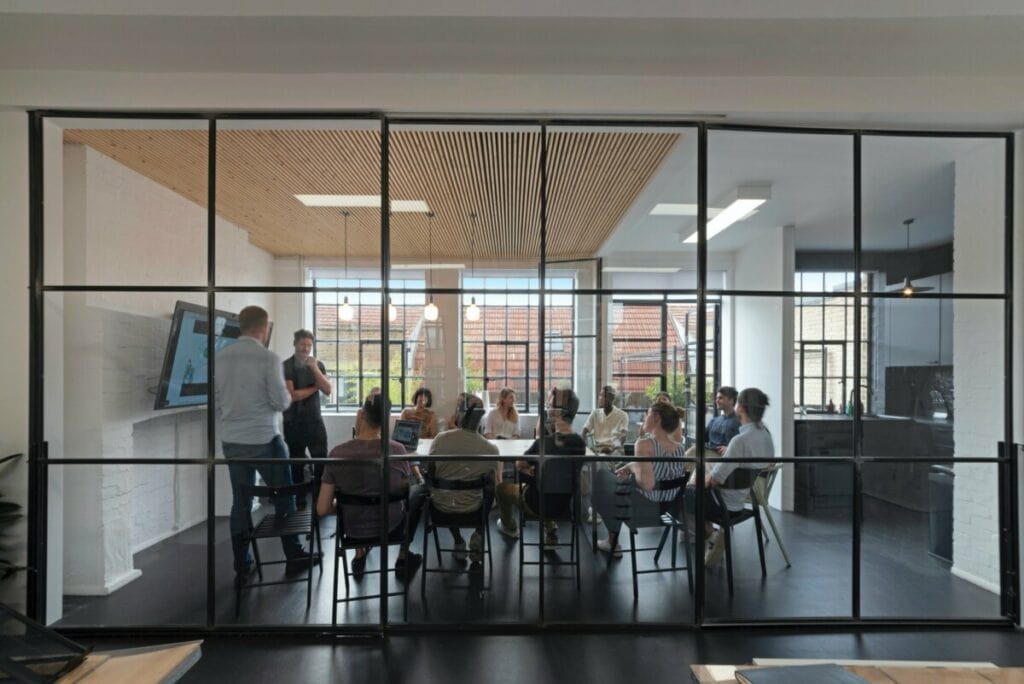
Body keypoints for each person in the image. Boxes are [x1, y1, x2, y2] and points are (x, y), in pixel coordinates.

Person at [215, 305, 318, 582]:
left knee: (241, 502)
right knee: (285, 497)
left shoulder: (221, 357)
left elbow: (217, 398)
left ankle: (242, 563)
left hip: (232, 441)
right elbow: (282, 401)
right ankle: (294, 554)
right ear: (264, 328)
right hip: (264, 439)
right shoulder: (268, 359)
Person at [316, 393, 425, 577]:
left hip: (352, 529)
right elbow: (405, 490)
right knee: (419, 493)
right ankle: (403, 554)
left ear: (361, 415)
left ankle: (360, 553)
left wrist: (344, 505)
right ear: (386, 419)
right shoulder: (397, 450)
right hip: (391, 527)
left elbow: (321, 509)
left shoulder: (337, 453)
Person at [690, 387, 773, 565]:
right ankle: (712, 535)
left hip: (725, 504)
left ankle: (712, 534)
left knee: (685, 496)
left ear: (740, 407)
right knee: (697, 481)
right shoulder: (765, 435)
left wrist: (698, 482)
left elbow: (715, 479)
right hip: (745, 495)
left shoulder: (740, 441)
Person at [593, 402, 688, 558]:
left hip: (645, 510)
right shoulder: (679, 448)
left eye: (648, 413)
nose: (644, 417)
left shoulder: (644, 444)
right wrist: (633, 471)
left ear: (656, 417)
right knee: (612, 485)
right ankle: (612, 540)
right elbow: (658, 477)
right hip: (668, 509)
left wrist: (632, 467)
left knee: (601, 479)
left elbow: (648, 484)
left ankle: (612, 541)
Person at [496, 388, 586, 548]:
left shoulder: (543, 443)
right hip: (565, 506)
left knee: (502, 489)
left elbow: (519, 463)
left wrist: (530, 469)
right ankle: (551, 533)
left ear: (558, 411)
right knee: (548, 484)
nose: (548, 409)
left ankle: (509, 527)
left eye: (550, 405)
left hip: (537, 504)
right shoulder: (580, 444)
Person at [427, 394, 500, 564]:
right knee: (489, 482)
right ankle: (479, 533)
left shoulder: (440, 439)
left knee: (445, 483)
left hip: (440, 509)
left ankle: (458, 541)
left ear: (459, 414)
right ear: (480, 419)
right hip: (473, 509)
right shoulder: (489, 448)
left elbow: (431, 472)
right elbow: (492, 478)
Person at [283, 329, 332, 501]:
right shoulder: (286, 365)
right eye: (303, 345)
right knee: (296, 464)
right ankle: (300, 501)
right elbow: (292, 396)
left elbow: (327, 389)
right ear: (295, 344)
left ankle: (321, 500)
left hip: (314, 422)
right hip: (292, 423)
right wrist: (314, 387)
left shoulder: (318, 365)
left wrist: (314, 369)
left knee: (321, 462)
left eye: (309, 345)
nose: (306, 349)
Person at [582, 385, 629, 454]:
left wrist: (613, 448)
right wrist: (584, 445)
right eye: (600, 395)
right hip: (597, 450)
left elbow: (623, 435)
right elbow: (584, 431)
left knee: (606, 458)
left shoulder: (623, 415)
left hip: (615, 450)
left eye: (604, 396)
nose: (600, 398)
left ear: (612, 398)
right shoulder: (595, 413)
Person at [706, 386, 740, 455]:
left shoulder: (740, 423)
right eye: (716, 398)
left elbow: (744, 445)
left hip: (727, 458)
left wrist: (730, 449)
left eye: (720, 398)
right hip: (709, 456)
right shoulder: (713, 421)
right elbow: (703, 439)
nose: (717, 401)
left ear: (731, 400)